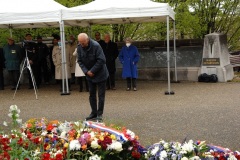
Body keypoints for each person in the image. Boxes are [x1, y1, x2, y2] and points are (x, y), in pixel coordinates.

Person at [77, 33, 109, 121]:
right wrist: (86, 71)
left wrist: (92, 71)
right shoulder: (79, 47)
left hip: (100, 74)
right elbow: (79, 61)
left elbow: (102, 60)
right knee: (92, 94)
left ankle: (99, 114)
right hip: (89, 75)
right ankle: (93, 112)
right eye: (80, 42)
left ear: (87, 40)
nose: (81, 45)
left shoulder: (96, 46)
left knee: (101, 95)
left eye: (83, 43)